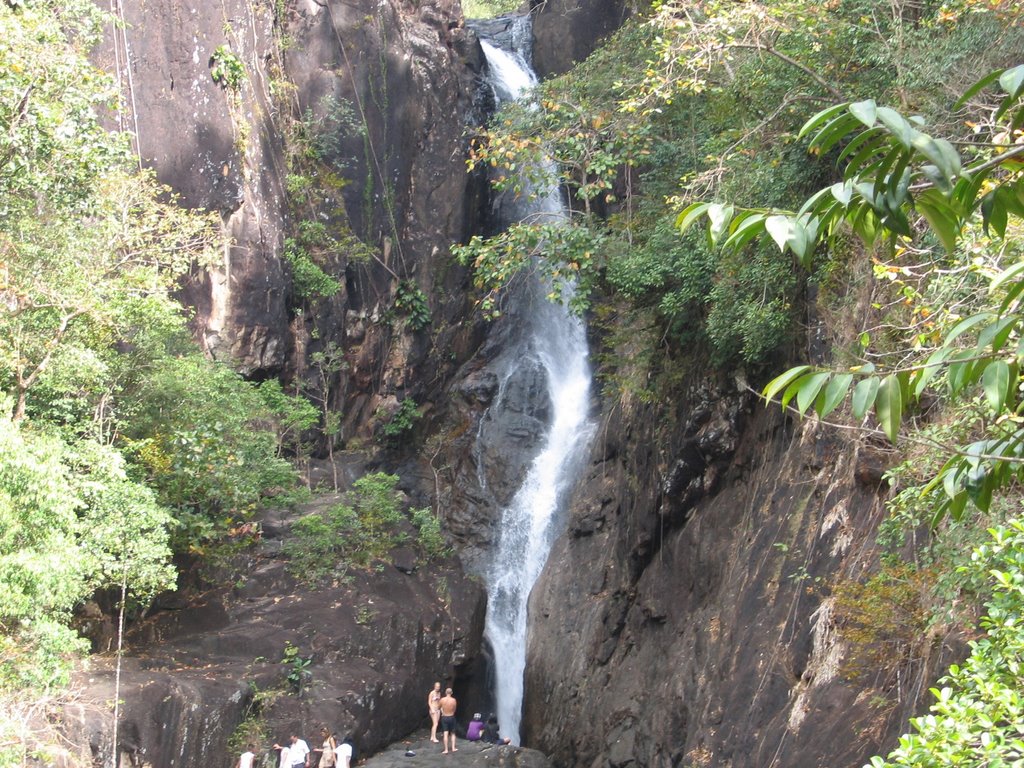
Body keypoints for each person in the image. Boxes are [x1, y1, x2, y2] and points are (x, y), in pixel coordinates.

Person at [439, 687, 458, 754]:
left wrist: (443, 711)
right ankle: (453, 748)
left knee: (445, 733)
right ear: (451, 693)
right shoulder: (454, 700)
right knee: (453, 733)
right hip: (452, 717)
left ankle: (446, 750)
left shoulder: (442, 700)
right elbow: (455, 709)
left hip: (444, 717)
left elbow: (439, 707)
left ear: (445, 693)